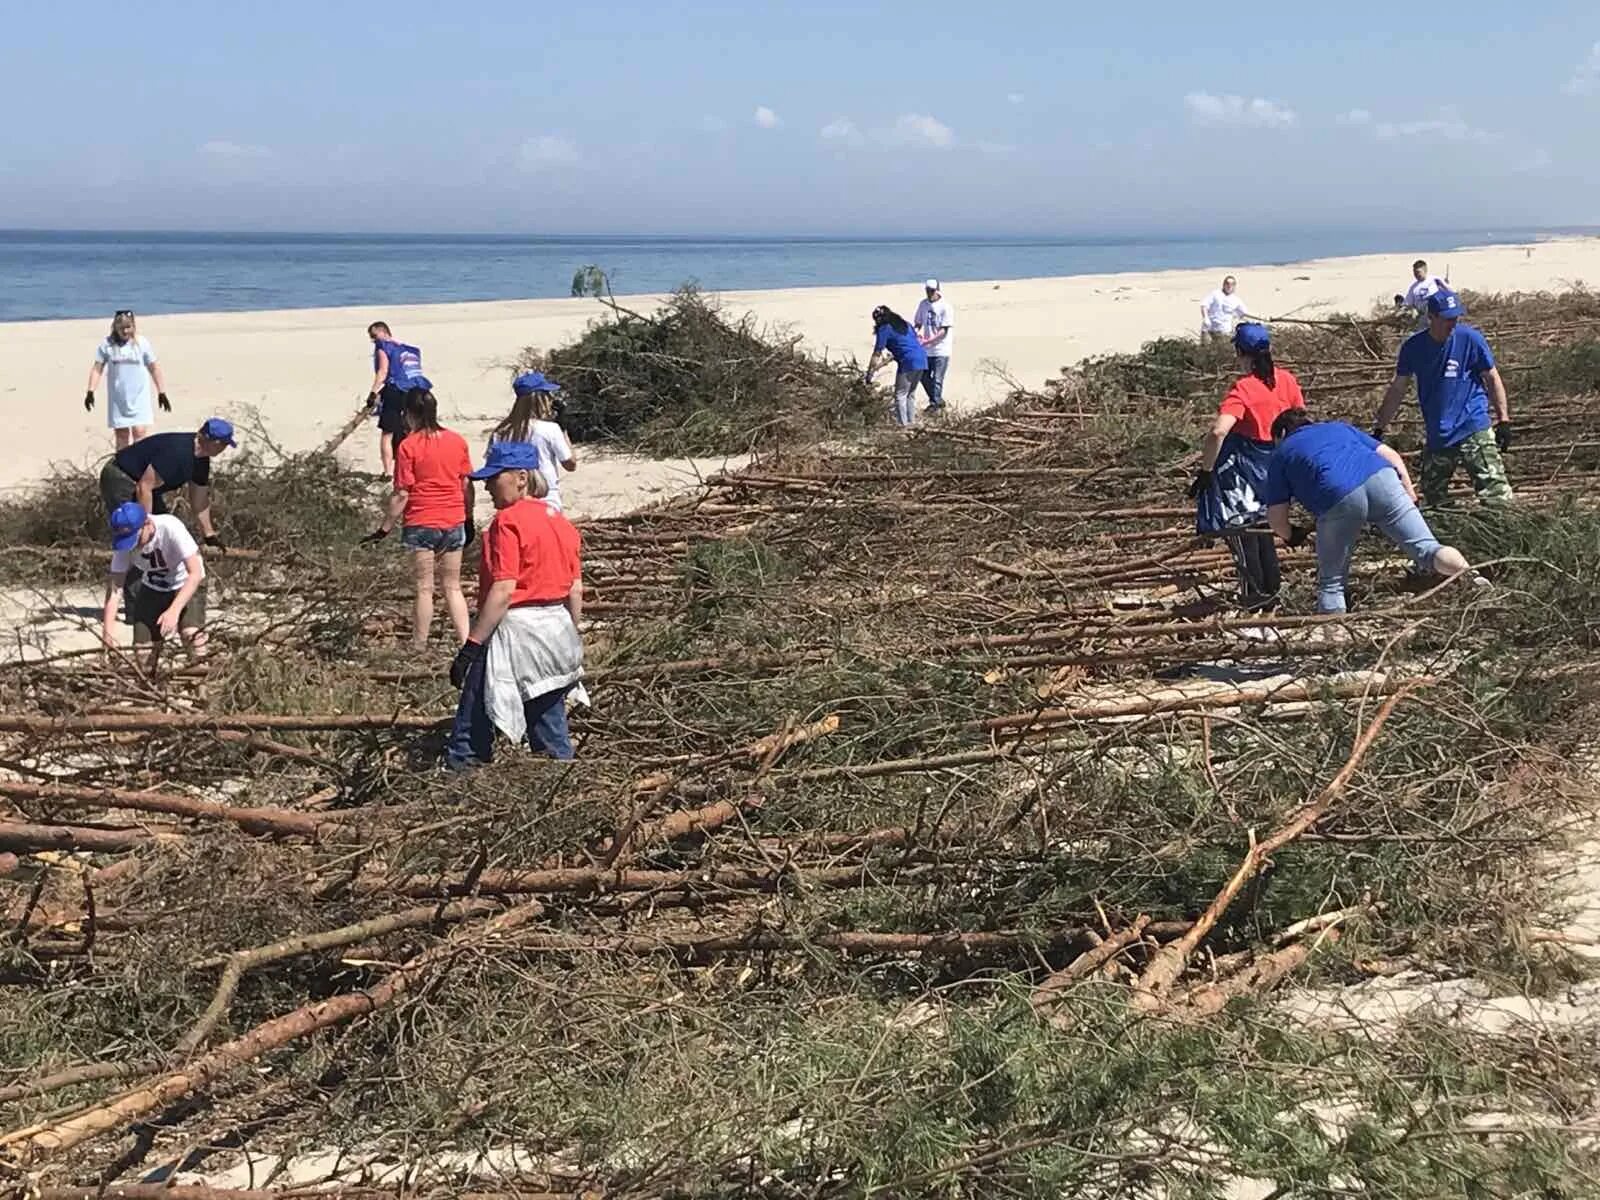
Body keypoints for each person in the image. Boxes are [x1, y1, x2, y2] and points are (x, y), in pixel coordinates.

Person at [446, 441, 586, 767]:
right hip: (556, 631)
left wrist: (472, 646)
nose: (487, 486)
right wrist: (572, 633)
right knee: (548, 720)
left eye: (495, 478)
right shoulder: (561, 523)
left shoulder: (506, 522)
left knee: (472, 721)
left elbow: (504, 588)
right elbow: (575, 589)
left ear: (521, 477)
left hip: (517, 632)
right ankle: (563, 789)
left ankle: (459, 789)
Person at [1265, 409, 1473, 613]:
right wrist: (1409, 492)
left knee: (1332, 582)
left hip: (1338, 496)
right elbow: (1391, 455)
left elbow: (1276, 518)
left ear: (1281, 434)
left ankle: (1335, 641)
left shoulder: (1281, 453)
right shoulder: (1339, 428)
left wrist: (1291, 535)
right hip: (1384, 479)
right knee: (1428, 548)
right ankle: (1472, 578)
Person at [1188, 322, 1305, 611]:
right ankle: (1272, 595)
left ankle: (1253, 599)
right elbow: (1300, 420)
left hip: (1244, 473)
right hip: (1276, 469)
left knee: (1240, 531)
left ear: (1241, 353)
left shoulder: (1244, 389)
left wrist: (1206, 472)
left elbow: (1219, 431)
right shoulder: (1287, 380)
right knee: (1266, 530)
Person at [1372, 289, 1512, 507]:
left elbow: (1492, 377)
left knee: (1495, 494)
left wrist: (1503, 420)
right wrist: (1380, 427)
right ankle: (1449, 535)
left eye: (1455, 318)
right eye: (1447, 318)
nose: (1452, 324)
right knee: (1433, 498)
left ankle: (1504, 532)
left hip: (1472, 425)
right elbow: (1398, 388)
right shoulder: (1413, 348)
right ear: (1432, 317)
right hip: (1440, 432)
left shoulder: (1471, 340)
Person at [360, 389, 474, 648]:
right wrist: (468, 517)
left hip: (421, 522)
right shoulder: (457, 441)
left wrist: (383, 529)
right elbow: (466, 484)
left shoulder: (408, 446)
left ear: (409, 414)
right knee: (452, 587)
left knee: (424, 588)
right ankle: (468, 643)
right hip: (453, 520)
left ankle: (419, 645)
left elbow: (402, 494)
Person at [101, 501, 208, 672]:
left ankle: (202, 684)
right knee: (142, 648)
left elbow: (194, 573)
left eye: (136, 539)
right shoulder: (124, 546)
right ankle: (150, 688)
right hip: (153, 586)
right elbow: (115, 589)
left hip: (185, 582)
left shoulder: (170, 527)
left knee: (191, 634)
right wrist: (107, 632)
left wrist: (174, 611)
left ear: (147, 524)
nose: (135, 546)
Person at [97, 418, 236, 549]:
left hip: (147, 488)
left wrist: (209, 535)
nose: (224, 448)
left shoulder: (201, 460)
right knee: (135, 532)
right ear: (211, 441)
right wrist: (146, 524)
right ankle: (128, 570)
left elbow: (199, 502)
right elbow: (143, 488)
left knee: (163, 533)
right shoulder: (178, 453)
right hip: (121, 478)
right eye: (223, 444)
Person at [488, 372, 578, 511]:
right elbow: (570, 464)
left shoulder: (500, 432)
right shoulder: (549, 429)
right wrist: (563, 429)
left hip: (512, 498)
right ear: (541, 398)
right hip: (546, 498)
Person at [84, 310, 171, 449]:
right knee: (122, 433)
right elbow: (97, 369)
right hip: (118, 398)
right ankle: (123, 465)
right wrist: (90, 391)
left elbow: (154, 368)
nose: (125, 331)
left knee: (140, 431)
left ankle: (139, 466)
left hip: (139, 395)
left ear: (133, 326)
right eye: (121, 328)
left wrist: (162, 392)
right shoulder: (107, 345)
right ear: (115, 327)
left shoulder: (142, 343)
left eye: (128, 327)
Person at [366, 321, 432, 475]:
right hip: (419, 389)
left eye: (374, 336)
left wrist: (373, 393)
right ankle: (416, 468)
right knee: (413, 429)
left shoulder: (383, 346)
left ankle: (388, 471)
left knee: (387, 432)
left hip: (397, 390)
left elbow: (383, 371)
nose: (374, 340)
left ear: (384, 332)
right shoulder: (411, 350)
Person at [864, 306, 928, 428]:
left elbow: (877, 352)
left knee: (900, 394)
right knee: (910, 394)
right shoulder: (906, 325)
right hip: (921, 358)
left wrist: (870, 372)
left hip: (908, 361)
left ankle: (903, 425)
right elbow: (909, 342)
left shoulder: (884, 329)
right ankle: (911, 422)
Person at [913, 279, 954, 414]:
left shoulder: (945, 307)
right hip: (926, 349)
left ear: (937, 290)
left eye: (932, 290)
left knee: (937, 378)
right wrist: (917, 333)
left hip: (941, 349)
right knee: (923, 375)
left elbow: (943, 331)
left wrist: (930, 340)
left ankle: (934, 404)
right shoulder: (923, 304)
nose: (929, 293)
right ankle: (937, 400)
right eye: (927, 290)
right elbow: (918, 322)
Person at [1394, 259, 1447, 329]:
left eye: (1418, 272)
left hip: (1436, 311)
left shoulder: (1435, 280)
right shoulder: (1414, 287)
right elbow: (1407, 303)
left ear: (1425, 270)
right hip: (1421, 315)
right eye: (1414, 272)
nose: (1416, 274)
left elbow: (1449, 291)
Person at [1199, 275, 1250, 342]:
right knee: (1206, 350)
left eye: (1232, 284)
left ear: (1234, 286)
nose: (1229, 286)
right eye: (1227, 283)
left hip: (1224, 332)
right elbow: (1204, 305)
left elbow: (1244, 312)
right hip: (1209, 330)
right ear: (1223, 284)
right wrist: (1205, 317)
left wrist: (1262, 318)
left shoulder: (1236, 300)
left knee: (1222, 350)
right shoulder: (1215, 294)